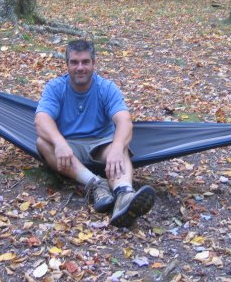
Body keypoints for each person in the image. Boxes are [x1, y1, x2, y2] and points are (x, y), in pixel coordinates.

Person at [35, 40, 155, 228]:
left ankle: (124, 195)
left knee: (121, 147)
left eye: (85, 62)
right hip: (69, 146)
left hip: (101, 144)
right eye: (74, 62)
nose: (80, 67)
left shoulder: (106, 88)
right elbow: (41, 120)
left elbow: (124, 121)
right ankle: (96, 184)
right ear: (67, 65)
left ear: (93, 63)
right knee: (43, 142)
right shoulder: (55, 88)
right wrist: (59, 142)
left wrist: (116, 147)